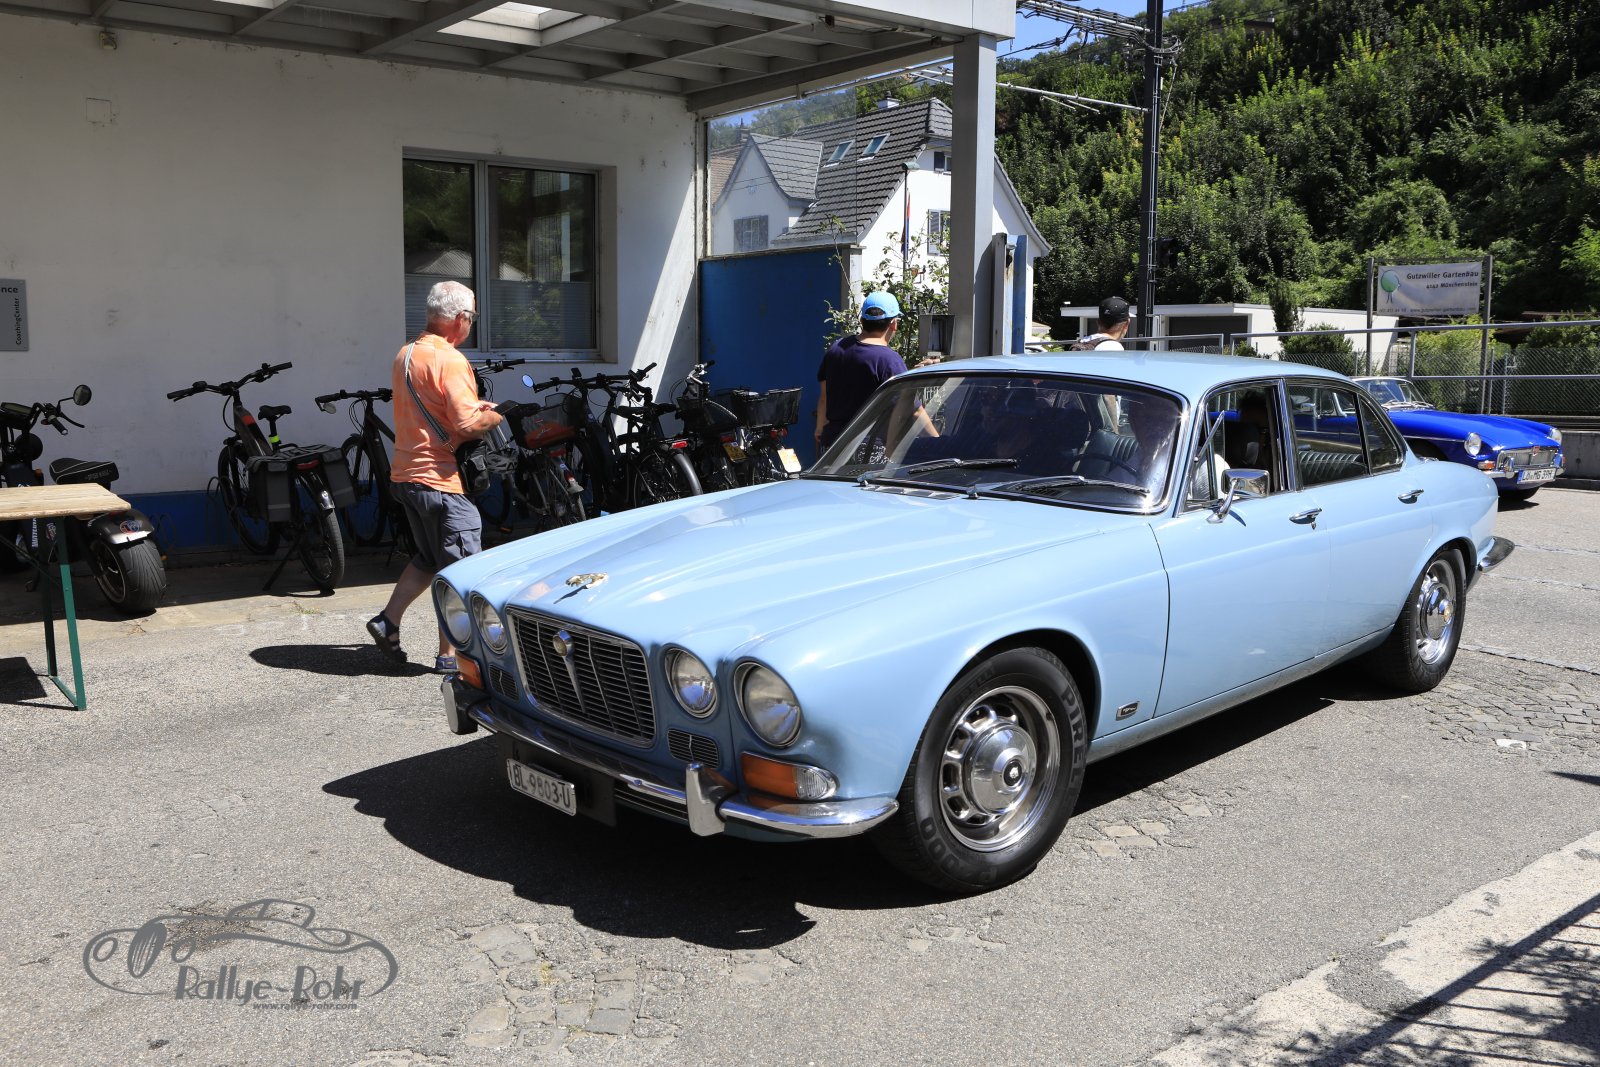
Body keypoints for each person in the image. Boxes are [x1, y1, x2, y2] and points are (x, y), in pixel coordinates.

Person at [367, 280, 503, 673]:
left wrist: (470, 409)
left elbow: (429, 407)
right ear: (460, 318)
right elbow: (466, 425)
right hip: (441, 480)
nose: (472, 324)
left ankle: (387, 621)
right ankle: (451, 655)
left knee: (429, 559)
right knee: (462, 572)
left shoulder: (406, 353)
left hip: (407, 476)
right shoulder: (451, 360)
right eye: (472, 317)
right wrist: (496, 414)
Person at [814, 291, 910, 451]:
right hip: (869, 446)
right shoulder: (889, 359)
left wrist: (819, 427)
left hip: (833, 443)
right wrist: (937, 439)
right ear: (894, 324)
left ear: (862, 321)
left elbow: (824, 397)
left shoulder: (836, 349)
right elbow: (909, 406)